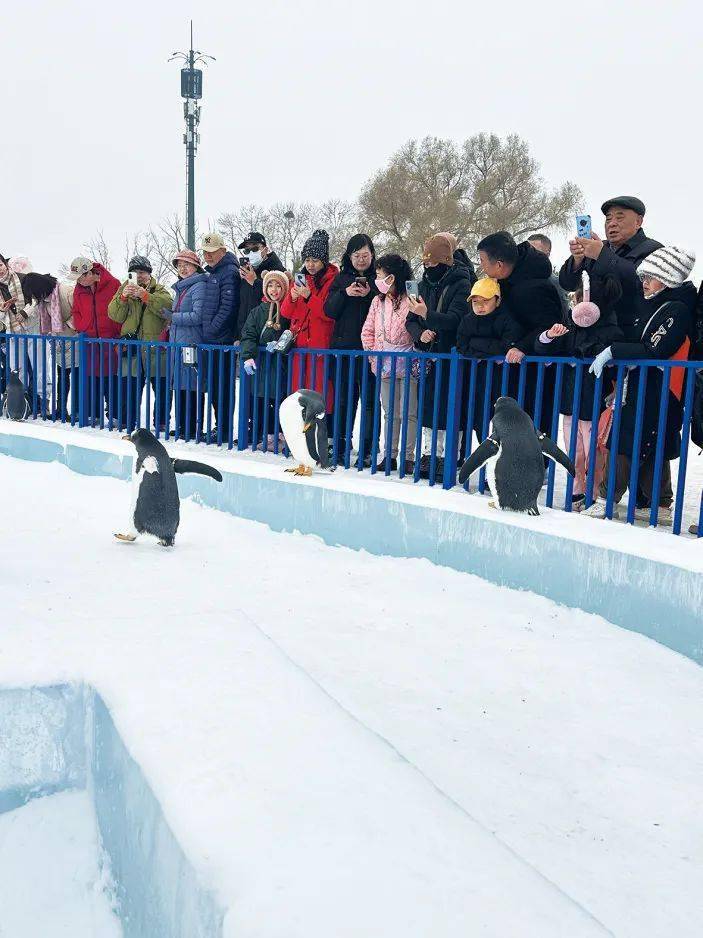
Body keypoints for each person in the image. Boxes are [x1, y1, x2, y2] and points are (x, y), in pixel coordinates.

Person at [586, 246, 696, 524]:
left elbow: (653, 349)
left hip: (659, 388)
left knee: (636, 442)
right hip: (641, 385)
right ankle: (655, 502)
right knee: (640, 441)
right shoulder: (654, 304)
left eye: (651, 277)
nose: (644, 282)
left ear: (668, 279)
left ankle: (609, 499)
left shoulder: (677, 309)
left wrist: (614, 351)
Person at [533, 273, 623, 510]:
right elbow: (545, 350)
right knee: (574, 449)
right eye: (578, 296)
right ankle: (576, 489)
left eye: (587, 297)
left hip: (596, 401)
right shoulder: (569, 325)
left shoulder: (610, 327)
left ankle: (593, 493)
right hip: (570, 400)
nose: (581, 302)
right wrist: (549, 337)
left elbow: (609, 347)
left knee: (594, 451)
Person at [477, 231, 562, 435]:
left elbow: (548, 325)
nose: (481, 267)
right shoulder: (505, 283)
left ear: (499, 264)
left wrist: (521, 346)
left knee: (531, 427)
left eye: (482, 261)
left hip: (535, 371)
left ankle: (536, 464)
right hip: (513, 368)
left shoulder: (533, 286)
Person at [406, 234, 474, 479]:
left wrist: (429, 314)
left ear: (446, 261)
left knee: (449, 406)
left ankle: (448, 455)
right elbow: (411, 320)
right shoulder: (422, 284)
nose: (428, 268)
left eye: (433, 264)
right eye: (425, 263)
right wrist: (420, 333)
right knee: (427, 406)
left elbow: (457, 319)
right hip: (429, 356)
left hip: (452, 356)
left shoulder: (461, 283)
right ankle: (427, 453)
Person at [559, 197, 662, 340]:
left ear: (638, 222)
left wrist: (602, 255)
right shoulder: (598, 247)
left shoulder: (654, 249)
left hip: (629, 336)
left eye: (620, 218)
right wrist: (577, 259)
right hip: (590, 336)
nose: (612, 224)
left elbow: (638, 282)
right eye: (608, 219)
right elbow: (566, 283)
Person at [360, 254, 418, 473]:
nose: (376, 279)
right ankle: (390, 454)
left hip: (409, 362)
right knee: (390, 412)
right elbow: (368, 331)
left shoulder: (411, 297)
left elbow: (417, 326)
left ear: (392, 277)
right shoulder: (378, 301)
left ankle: (409, 456)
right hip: (384, 364)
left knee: (409, 412)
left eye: (379, 275)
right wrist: (374, 357)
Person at [324, 234, 378, 464]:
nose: (361, 260)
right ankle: (341, 442)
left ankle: (367, 449)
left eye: (365, 255)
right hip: (344, 349)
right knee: (344, 400)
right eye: (356, 255)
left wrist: (371, 295)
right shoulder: (340, 279)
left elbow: (388, 304)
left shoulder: (379, 279)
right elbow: (329, 310)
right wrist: (345, 293)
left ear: (373, 255)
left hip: (371, 351)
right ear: (349, 256)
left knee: (369, 402)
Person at [108, 256, 172, 431]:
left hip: (155, 350)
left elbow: (166, 309)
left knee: (161, 388)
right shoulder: (124, 290)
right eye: (134, 272)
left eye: (142, 272)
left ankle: (161, 423)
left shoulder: (160, 290)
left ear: (149, 273)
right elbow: (114, 315)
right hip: (132, 349)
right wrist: (122, 298)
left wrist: (145, 296)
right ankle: (126, 422)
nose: (138, 276)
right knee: (129, 388)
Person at [456, 277, 522, 442]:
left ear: (497, 300)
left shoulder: (507, 319)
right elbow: (462, 345)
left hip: (504, 378)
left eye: (485, 300)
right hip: (477, 378)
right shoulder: (468, 320)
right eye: (475, 301)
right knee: (480, 416)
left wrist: (476, 344)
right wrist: (489, 349)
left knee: (503, 416)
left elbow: (507, 345)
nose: (480, 305)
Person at [281, 229, 338, 415]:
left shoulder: (332, 281)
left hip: (320, 347)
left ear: (324, 260)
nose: (310, 265)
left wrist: (308, 296)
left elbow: (328, 313)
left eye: (315, 260)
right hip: (299, 347)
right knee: (299, 394)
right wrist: (292, 297)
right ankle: (300, 431)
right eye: (307, 260)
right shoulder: (300, 280)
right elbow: (286, 313)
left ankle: (320, 433)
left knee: (320, 394)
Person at [240, 270, 291, 449]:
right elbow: (248, 335)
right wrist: (248, 357)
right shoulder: (257, 311)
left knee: (279, 401)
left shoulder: (288, 310)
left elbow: (293, 334)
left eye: (278, 286)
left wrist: (281, 345)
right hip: (262, 367)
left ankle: (281, 436)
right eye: (270, 285)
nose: (274, 290)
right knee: (261, 400)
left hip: (281, 367)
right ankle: (266, 435)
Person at [67, 256, 121, 425]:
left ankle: (114, 415)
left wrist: (117, 333)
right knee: (92, 379)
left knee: (111, 379)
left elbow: (121, 309)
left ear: (88, 273)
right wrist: (83, 327)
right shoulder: (79, 289)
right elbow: (76, 310)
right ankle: (93, 414)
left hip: (110, 340)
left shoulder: (113, 284)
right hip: (90, 341)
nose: (77, 282)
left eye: (79, 278)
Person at [200, 232, 240, 442]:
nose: (208, 256)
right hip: (212, 340)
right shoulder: (214, 273)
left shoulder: (228, 272)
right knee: (215, 387)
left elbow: (228, 307)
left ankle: (223, 429)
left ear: (223, 251)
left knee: (223, 387)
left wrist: (212, 330)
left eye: (212, 252)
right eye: (205, 252)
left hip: (221, 341)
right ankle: (219, 426)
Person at [20, 272, 77, 418]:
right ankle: (61, 409)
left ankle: (76, 411)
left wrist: (66, 326)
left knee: (75, 376)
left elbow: (79, 313)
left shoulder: (65, 292)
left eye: (33, 293)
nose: (33, 297)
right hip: (60, 342)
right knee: (62, 377)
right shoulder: (43, 300)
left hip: (75, 339)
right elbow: (31, 315)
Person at [168, 249, 208, 441]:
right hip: (179, 343)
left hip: (191, 343)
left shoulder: (199, 285)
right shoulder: (181, 288)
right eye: (180, 265)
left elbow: (197, 316)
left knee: (192, 386)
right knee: (180, 386)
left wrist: (172, 317)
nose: (183, 268)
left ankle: (192, 427)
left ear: (196, 267)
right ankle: (182, 424)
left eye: (187, 265)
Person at [235, 231, 285, 340]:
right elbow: (242, 307)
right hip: (247, 338)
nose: (251, 253)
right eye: (247, 250)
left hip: (267, 338)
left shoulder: (278, 270)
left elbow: (278, 299)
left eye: (255, 249)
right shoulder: (247, 273)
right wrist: (238, 336)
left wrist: (255, 282)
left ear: (265, 250)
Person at [527, 233, 570, 317]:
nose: (529, 255)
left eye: (534, 251)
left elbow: (564, 314)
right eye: (527, 251)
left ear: (547, 254)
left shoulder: (555, 284)